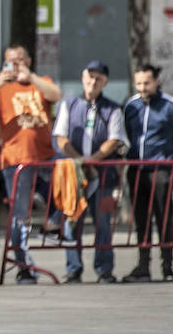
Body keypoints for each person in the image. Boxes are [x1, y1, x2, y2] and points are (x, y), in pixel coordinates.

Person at [0, 44, 62, 284]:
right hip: (16, 159)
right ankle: (22, 264)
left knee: (78, 172)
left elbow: (55, 95)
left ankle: (55, 221)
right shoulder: (0, 87)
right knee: (19, 214)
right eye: (11, 61)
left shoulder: (39, 80)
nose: (15, 65)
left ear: (29, 61)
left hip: (45, 154)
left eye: (20, 60)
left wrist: (29, 76)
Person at [52, 61, 125, 283]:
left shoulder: (112, 108)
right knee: (72, 221)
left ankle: (104, 269)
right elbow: (61, 137)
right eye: (89, 77)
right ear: (83, 78)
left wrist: (93, 160)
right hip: (75, 176)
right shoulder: (69, 105)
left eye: (98, 78)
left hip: (103, 177)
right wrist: (79, 160)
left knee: (103, 222)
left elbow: (114, 139)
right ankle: (73, 268)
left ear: (105, 82)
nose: (92, 82)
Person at [120, 64, 173, 282]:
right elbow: (126, 135)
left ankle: (168, 266)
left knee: (164, 218)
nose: (142, 87)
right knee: (141, 219)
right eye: (138, 83)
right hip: (136, 169)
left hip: (161, 169)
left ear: (157, 81)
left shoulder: (170, 106)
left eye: (147, 83)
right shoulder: (131, 105)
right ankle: (143, 265)